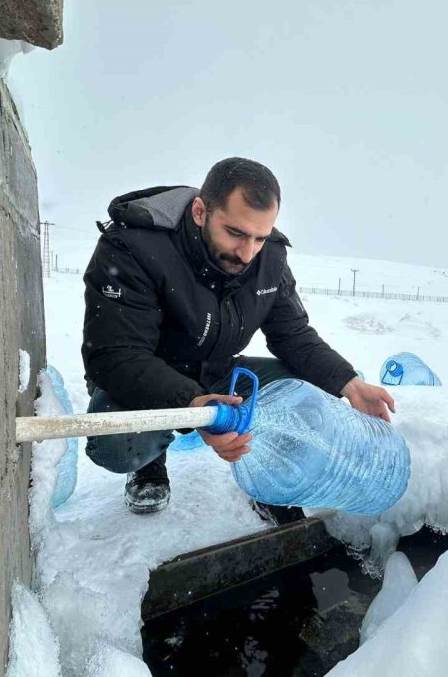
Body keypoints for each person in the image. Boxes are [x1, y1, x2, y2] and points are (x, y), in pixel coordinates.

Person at [81, 157, 395, 515]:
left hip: (217, 370)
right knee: (117, 443)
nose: (248, 254)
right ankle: (149, 463)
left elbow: (291, 333)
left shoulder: (269, 256)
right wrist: (196, 407)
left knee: (312, 392)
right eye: (235, 233)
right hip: (146, 378)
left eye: (260, 238)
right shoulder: (133, 245)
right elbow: (116, 355)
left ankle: (271, 477)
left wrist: (350, 383)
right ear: (200, 212)